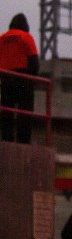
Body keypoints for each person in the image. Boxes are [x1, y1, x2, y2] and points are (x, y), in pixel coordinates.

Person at [0, 13, 39, 144]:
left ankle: (6, 139)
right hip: (23, 78)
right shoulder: (26, 37)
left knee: (6, 111)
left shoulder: (2, 38)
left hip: (5, 78)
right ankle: (23, 140)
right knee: (25, 111)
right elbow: (34, 62)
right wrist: (32, 78)